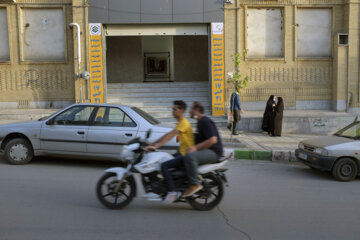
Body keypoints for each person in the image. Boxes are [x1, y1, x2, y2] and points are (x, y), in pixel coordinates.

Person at [145, 100, 194, 203]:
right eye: (173, 109)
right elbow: (167, 134)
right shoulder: (180, 122)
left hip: (186, 155)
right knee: (164, 159)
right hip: (182, 152)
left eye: (174, 109)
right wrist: (152, 143)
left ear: (182, 111)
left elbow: (170, 136)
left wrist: (156, 146)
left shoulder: (184, 123)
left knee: (164, 166)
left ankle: (173, 191)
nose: (172, 111)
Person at [182, 102, 223, 197]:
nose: (189, 111)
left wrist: (195, 148)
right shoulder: (200, 122)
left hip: (214, 152)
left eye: (191, 109)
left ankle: (194, 184)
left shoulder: (205, 121)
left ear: (196, 110)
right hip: (209, 150)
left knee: (190, 157)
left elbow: (213, 140)